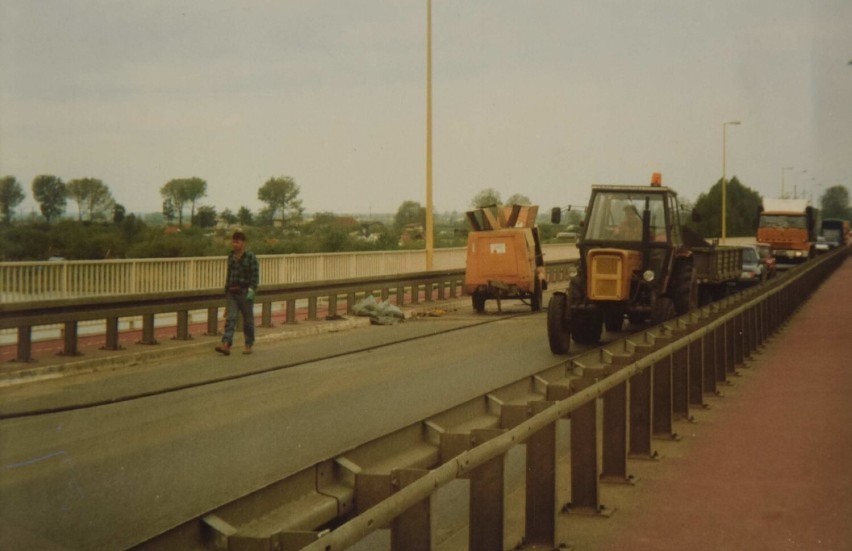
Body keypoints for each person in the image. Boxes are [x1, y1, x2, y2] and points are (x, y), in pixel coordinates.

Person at [215, 230, 259, 356]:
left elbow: (255, 276)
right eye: (233, 242)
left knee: (248, 321)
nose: (235, 244)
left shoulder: (250, 257)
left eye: (237, 242)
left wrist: (252, 290)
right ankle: (226, 344)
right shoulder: (231, 257)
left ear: (243, 243)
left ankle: (248, 344)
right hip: (232, 292)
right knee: (231, 318)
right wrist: (226, 292)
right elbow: (228, 276)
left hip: (245, 292)